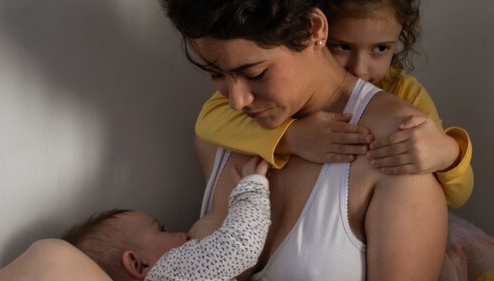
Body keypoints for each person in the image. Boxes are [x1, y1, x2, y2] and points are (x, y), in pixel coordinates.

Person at [163, 0, 448, 280]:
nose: (237, 101)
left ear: (314, 30)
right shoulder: (219, 136)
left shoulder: (399, 149)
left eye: (256, 74)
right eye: (216, 74)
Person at [194, 0, 473, 208]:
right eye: (342, 46)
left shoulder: (404, 95)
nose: (360, 68)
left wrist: (449, 154)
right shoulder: (263, 95)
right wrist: (292, 137)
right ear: (317, 35)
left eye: (381, 48)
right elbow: (207, 122)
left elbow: (458, 198)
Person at [0, 157, 271, 281]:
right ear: (138, 264)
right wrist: (251, 188)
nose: (182, 234)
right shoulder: (171, 271)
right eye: (161, 229)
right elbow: (240, 245)